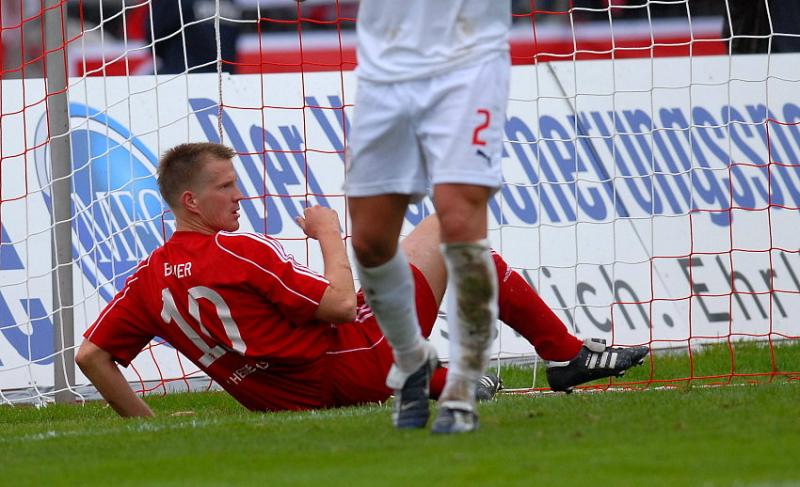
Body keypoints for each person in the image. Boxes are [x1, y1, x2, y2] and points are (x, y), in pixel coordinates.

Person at [75, 142, 649, 418]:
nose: (239, 196)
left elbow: (92, 356)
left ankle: (445, 378)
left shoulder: (146, 281)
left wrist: (147, 427)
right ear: (191, 201)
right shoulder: (238, 250)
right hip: (356, 360)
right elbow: (340, 305)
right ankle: (563, 355)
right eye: (226, 187)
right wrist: (328, 231)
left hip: (281, 402)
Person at [344, 1, 515, 433]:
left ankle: (462, 385)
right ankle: (411, 359)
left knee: (458, 219)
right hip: (385, 68)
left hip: (468, 59)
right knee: (369, 241)